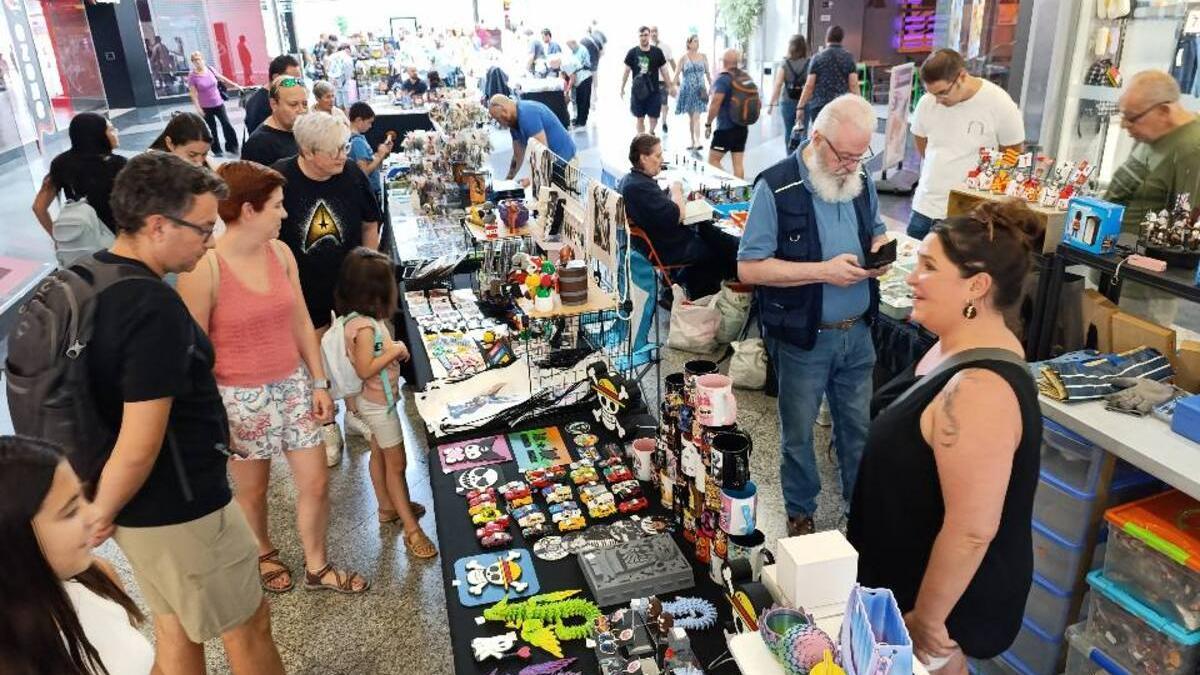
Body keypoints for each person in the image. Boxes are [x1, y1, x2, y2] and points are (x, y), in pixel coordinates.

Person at [86, 151, 285, 674]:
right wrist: (99, 515)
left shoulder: (95, 277)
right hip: (181, 505)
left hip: (145, 512)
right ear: (157, 225)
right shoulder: (152, 307)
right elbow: (140, 439)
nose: (211, 240)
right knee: (248, 630)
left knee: (175, 632)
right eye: (201, 228)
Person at [848, 202, 1044, 673]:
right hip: (900, 577)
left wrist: (927, 619)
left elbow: (973, 529)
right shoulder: (953, 343)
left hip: (939, 604)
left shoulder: (980, 390)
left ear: (977, 286)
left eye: (930, 267)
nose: (913, 277)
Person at [176, 161, 369, 595]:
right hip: (237, 397)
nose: (285, 214)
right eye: (278, 206)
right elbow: (194, 353)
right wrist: (209, 414)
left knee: (316, 481)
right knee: (253, 489)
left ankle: (316, 566)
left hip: (291, 385)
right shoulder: (204, 269)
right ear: (248, 209)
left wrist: (319, 381)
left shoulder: (280, 254)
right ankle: (263, 551)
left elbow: (301, 320)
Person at [738, 94, 890, 536]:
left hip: (858, 333)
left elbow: (876, 230)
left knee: (857, 431)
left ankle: (857, 511)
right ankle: (800, 512)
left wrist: (880, 252)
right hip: (805, 338)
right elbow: (749, 267)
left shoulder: (861, 178)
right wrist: (822, 272)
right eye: (844, 156)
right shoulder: (778, 186)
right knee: (798, 435)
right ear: (817, 140)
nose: (850, 166)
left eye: (860, 157)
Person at [271, 112, 381, 465]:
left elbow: (369, 222)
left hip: (349, 284)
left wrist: (368, 268)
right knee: (314, 359)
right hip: (303, 288)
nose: (343, 155)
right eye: (334, 150)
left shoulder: (349, 173)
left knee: (353, 350)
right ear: (307, 151)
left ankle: (353, 413)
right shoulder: (281, 178)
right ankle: (327, 424)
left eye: (344, 146)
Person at [0, 436, 154, 675]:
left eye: (84, 497)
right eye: (70, 511)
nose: (94, 514)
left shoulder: (98, 577)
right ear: (14, 537)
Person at [335, 247, 438, 558]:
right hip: (382, 407)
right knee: (397, 466)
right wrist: (394, 351)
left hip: (374, 402)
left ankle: (387, 508)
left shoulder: (355, 321)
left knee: (379, 454)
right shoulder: (365, 328)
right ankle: (412, 530)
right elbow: (366, 367)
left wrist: (389, 346)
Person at [1105, 70, 1200, 324]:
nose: (1125, 126)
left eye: (1132, 118)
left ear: (1164, 111)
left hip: (1144, 287)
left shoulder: (1192, 148)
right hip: (1115, 269)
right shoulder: (1152, 134)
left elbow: (1187, 224)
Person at [908, 49, 1024, 240]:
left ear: (961, 76)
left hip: (968, 214)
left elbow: (1011, 156)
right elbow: (922, 142)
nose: (937, 100)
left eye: (942, 93)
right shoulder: (927, 102)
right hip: (924, 207)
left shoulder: (999, 103)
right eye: (931, 93)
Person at [620, 134, 726, 298]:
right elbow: (677, 215)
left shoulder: (631, 180)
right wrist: (676, 190)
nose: (662, 160)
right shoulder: (640, 187)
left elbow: (658, 206)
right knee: (716, 248)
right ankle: (700, 299)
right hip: (664, 247)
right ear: (643, 158)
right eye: (658, 155)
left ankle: (678, 288)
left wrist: (670, 195)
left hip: (652, 242)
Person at [32, 112, 126, 237]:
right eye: (111, 129)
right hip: (116, 241)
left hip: (81, 240)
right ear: (98, 136)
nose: (116, 132)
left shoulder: (61, 163)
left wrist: (56, 238)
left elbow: (38, 207)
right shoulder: (118, 164)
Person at [488, 94, 577, 182]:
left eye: (498, 119)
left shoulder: (527, 115)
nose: (499, 124)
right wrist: (507, 181)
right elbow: (517, 156)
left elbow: (542, 153)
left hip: (563, 163)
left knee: (551, 194)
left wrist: (531, 180)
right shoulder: (514, 123)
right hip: (551, 165)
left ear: (505, 112)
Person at [797, 26, 859, 131]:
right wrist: (859, 104)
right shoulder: (849, 58)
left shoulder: (817, 58)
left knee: (819, 136)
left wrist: (800, 106)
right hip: (840, 105)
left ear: (827, 38)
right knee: (837, 136)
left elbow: (809, 85)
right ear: (841, 39)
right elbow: (853, 84)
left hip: (819, 106)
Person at [242, 75, 308, 167]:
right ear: (274, 104)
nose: (301, 110)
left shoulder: (302, 129)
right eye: (293, 104)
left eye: (305, 104)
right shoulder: (258, 144)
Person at [706, 49, 752, 179]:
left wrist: (708, 123)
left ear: (724, 61)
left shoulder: (723, 79)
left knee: (712, 161)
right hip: (742, 127)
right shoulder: (744, 77)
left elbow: (715, 104)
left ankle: (730, 184)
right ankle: (739, 193)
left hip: (725, 129)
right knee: (738, 165)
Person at [186, 51, 242, 157]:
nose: (197, 62)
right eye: (195, 60)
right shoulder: (192, 76)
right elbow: (193, 94)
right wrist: (198, 108)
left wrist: (235, 84)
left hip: (218, 103)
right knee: (212, 129)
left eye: (199, 59)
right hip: (206, 107)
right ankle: (217, 150)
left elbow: (221, 78)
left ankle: (232, 146)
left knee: (227, 124)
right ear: (193, 62)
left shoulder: (210, 69)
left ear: (203, 60)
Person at [621, 27, 673, 135]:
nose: (643, 38)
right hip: (638, 92)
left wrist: (670, 86)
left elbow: (665, 71)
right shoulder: (632, 52)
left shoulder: (657, 52)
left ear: (649, 36)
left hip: (654, 91)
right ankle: (642, 137)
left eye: (645, 35)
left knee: (654, 117)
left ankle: (651, 132)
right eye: (641, 35)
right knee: (640, 118)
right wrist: (622, 87)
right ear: (638, 37)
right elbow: (626, 71)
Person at [769, 35, 811, 155]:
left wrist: (772, 104)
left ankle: (789, 157)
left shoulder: (785, 63)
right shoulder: (809, 63)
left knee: (788, 131)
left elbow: (778, 84)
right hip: (804, 103)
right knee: (803, 132)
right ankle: (801, 159)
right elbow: (810, 85)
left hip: (787, 101)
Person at [347, 101, 394, 203]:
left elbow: (370, 161)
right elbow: (364, 172)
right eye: (369, 122)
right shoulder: (357, 142)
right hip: (368, 194)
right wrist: (380, 156)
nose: (371, 126)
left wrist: (382, 153)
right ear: (359, 120)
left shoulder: (358, 139)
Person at [244, 54, 301, 136]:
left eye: (298, 81)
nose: (296, 84)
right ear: (276, 77)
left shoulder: (271, 96)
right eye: (291, 81)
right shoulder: (264, 104)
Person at [673, 34, 712, 152]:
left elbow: (708, 74)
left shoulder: (704, 57)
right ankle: (692, 140)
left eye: (698, 41)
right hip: (687, 91)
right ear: (689, 43)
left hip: (700, 90)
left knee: (697, 116)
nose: (697, 43)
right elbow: (676, 75)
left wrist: (712, 86)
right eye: (695, 41)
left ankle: (698, 141)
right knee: (691, 117)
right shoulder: (683, 58)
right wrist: (671, 87)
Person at [561, 39, 593, 128]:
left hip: (584, 78)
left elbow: (573, 77)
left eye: (569, 46)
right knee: (579, 100)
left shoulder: (583, 50)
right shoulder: (572, 54)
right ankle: (578, 119)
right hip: (579, 79)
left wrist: (567, 89)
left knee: (584, 101)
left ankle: (582, 121)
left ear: (574, 43)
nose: (569, 48)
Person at [649, 26, 675, 133]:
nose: (654, 33)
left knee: (664, 104)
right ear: (650, 34)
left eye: (655, 31)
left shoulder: (665, 47)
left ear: (658, 33)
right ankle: (652, 129)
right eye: (652, 32)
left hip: (663, 81)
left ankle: (664, 122)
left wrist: (677, 77)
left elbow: (672, 62)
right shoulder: (646, 48)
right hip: (650, 82)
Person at [581, 25, 606, 108]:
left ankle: (590, 102)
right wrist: (597, 58)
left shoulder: (582, 40)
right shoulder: (597, 40)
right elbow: (602, 52)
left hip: (585, 67)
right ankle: (594, 99)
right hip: (594, 66)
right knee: (594, 83)